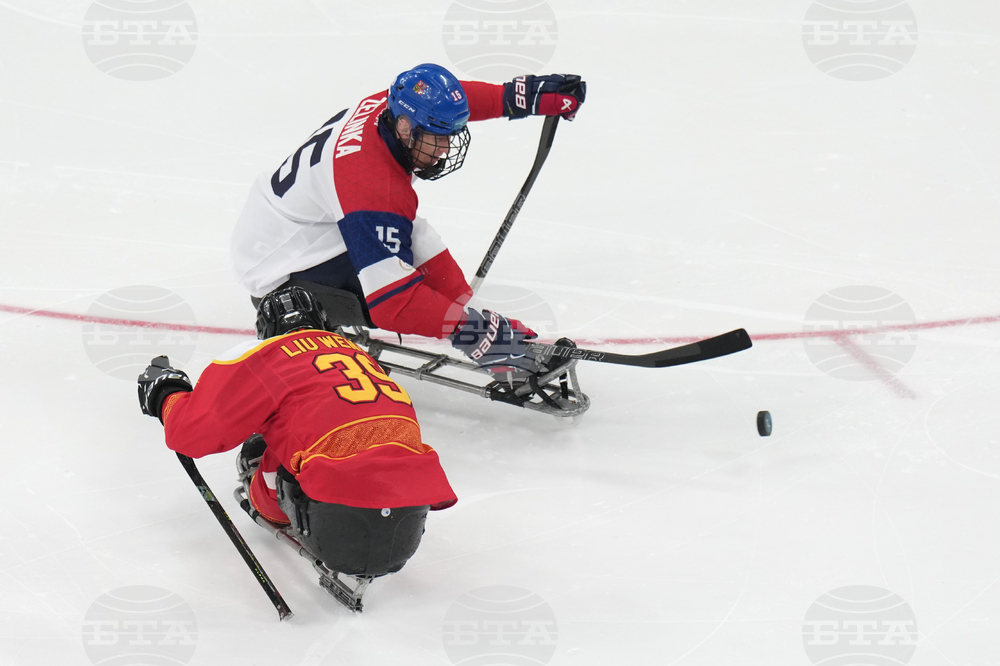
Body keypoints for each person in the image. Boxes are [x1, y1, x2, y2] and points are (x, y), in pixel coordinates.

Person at [230, 63, 586, 376]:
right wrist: (474, 333)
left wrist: (522, 97)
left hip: (306, 223)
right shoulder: (374, 187)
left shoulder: (391, 105)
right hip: (282, 260)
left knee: (440, 271)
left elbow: (456, 100)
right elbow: (391, 305)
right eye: (436, 138)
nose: (445, 149)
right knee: (409, 284)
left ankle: (471, 323)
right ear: (404, 126)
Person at [137, 286, 457, 577]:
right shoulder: (361, 356)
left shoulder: (262, 355)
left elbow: (192, 434)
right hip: (409, 519)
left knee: (275, 452)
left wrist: (166, 392)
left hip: (338, 527)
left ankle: (273, 503)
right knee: (326, 429)